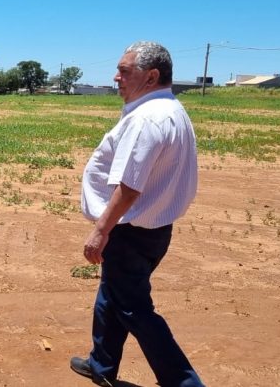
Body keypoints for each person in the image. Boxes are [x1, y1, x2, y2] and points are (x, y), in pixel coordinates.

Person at [70, 41, 204, 387]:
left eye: (125, 71)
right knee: (112, 296)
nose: (116, 77)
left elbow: (129, 187)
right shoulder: (173, 111)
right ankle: (101, 365)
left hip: (131, 231)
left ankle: (184, 382)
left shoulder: (146, 119)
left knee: (135, 309)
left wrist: (101, 230)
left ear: (152, 75)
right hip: (156, 229)